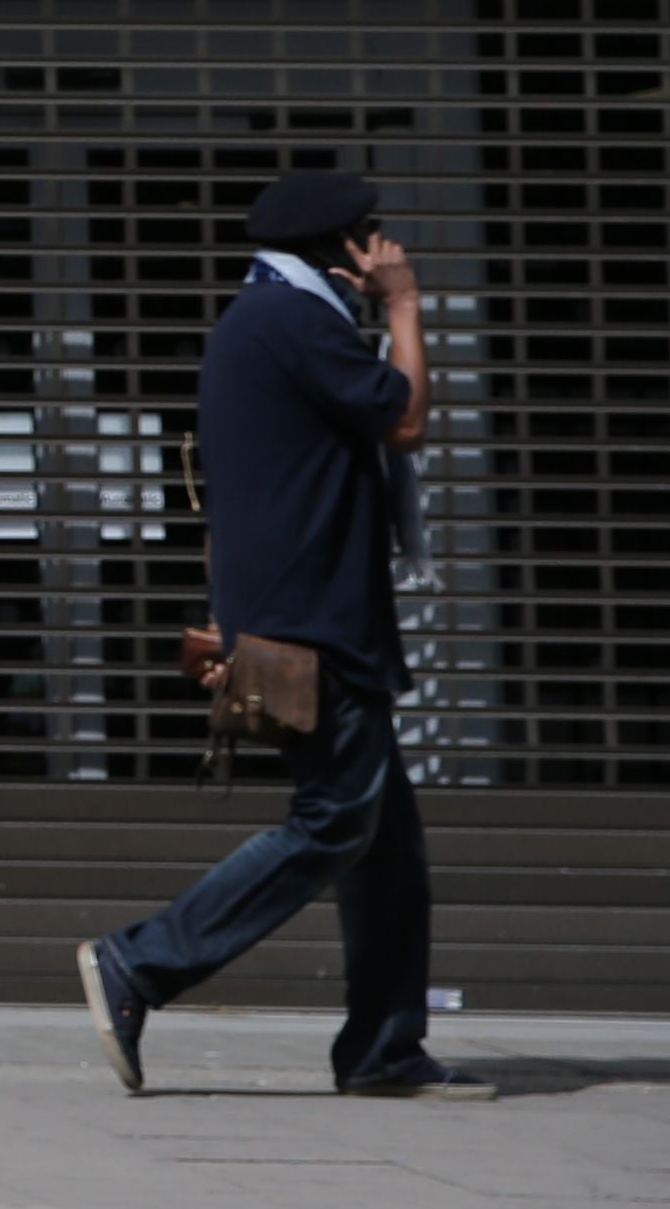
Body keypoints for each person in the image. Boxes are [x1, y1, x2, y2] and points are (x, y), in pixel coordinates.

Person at [73, 169, 485, 1100]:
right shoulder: (290, 323)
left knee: (388, 853)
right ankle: (142, 962)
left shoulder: (264, 322)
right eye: (370, 237)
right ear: (338, 248)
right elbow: (407, 417)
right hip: (316, 620)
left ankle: (385, 1051)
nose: (382, 252)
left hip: (317, 610)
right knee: (336, 821)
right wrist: (409, 303)